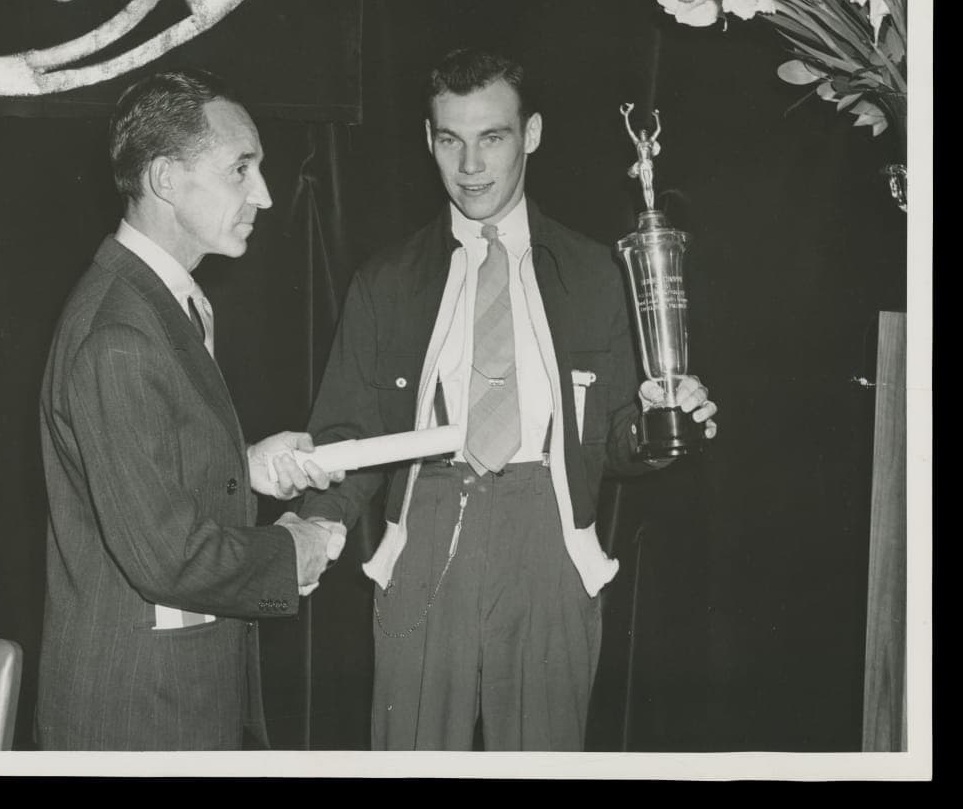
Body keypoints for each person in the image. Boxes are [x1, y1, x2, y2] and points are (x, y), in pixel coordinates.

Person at [299, 48, 717, 751]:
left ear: (532, 134)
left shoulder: (596, 273)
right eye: (450, 140)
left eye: (491, 137)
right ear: (428, 141)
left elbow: (615, 436)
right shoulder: (385, 281)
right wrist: (315, 528)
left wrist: (658, 430)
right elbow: (348, 433)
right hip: (427, 532)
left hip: (549, 539)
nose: (470, 166)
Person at [36, 69, 344, 751]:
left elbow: (137, 476)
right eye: (241, 169)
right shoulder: (121, 335)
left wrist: (244, 465)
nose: (263, 195)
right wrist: (293, 552)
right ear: (166, 180)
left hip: (171, 692)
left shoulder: (153, 300)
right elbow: (165, 557)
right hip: (139, 712)